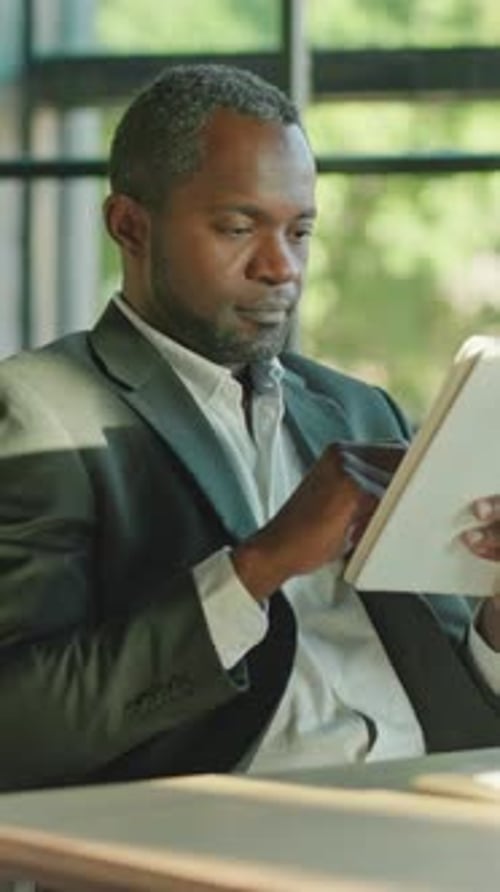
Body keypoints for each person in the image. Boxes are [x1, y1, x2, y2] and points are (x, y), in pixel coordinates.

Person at [1, 64, 500, 792]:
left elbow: (457, 691)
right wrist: (260, 564)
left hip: (435, 805)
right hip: (234, 826)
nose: (282, 268)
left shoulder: (361, 411)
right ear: (129, 226)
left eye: (300, 231)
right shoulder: (42, 412)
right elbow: (19, 727)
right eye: (239, 227)